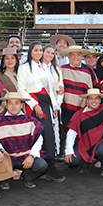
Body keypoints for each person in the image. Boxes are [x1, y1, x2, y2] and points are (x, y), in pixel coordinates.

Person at [18, 41, 65, 181]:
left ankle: (50, 167)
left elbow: (51, 89)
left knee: (48, 135)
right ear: (30, 51)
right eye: (36, 50)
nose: (39, 53)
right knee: (38, 134)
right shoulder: (24, 67)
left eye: (40, 50)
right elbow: (21, 89)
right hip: (34, 104)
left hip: (47, 104)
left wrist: (55, 106)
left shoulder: (44, 68)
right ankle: (38, 166)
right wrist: (34, 104)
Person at [0, 92, 50, 189]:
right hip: (7, 157)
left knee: (42, 165)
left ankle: (26, 177)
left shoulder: (30, 120)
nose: (13, 106)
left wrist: (32, 156)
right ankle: (6, 179)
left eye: (17, 103)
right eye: (10, 103)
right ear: (6, 105)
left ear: (22, 105)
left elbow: (39, 139)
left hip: (25, 156)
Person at [64, 89, 103, 176]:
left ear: (100, 100)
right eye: (91, 98)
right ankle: (87, 161)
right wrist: (69, 150)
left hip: (100, 142)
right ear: (87, 100)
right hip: (84, 143)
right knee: (72, 161)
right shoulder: (79, 114)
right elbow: (71, 132)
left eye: (96, 98)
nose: (94, 101)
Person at [60, 45, 98, 126]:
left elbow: (95, 88)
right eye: (73, 55)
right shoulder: (62, 69)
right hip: (65, 109)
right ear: (68, 56)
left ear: (81, 56)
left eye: (78, 55)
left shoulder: (88, 70)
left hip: (83, 109)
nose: (75, 57)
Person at [0, 48, 22, 114]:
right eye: (7, 58)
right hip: (6, 108)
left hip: (21, 106)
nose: (10, 61)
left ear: (16, 60)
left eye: (12, 58)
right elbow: (0, 93)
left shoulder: (21, 73)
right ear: (3, 60)